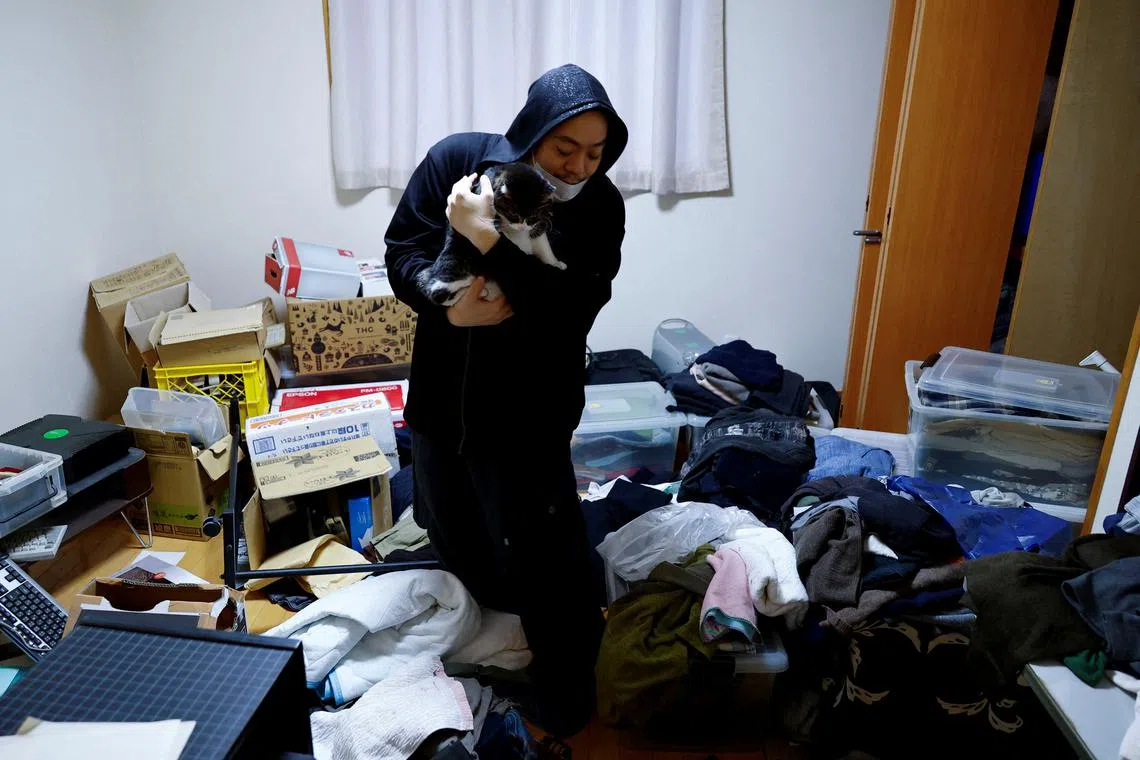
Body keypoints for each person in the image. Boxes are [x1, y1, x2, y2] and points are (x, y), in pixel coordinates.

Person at [384, 64, 628, 736]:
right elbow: (401, 248)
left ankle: (568, 699)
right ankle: (483, 665)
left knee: (549, 560)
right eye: (564, 148)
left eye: (595, 152)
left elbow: (569, 309)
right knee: (454, 537)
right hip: (440, 407)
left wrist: (489, 240)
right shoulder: (456, 160)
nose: (579, 166)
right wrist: (444, 302)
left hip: (530, 416)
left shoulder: (600, 208)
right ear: (533, 134)